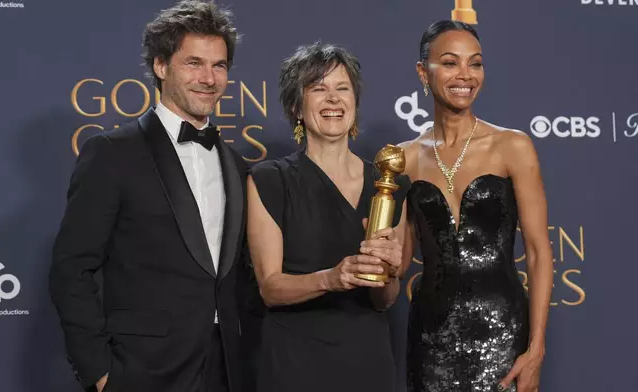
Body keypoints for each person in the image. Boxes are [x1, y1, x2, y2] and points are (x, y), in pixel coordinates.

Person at [49, 2, 249, 391]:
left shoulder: (237, 165)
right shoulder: (112, 152)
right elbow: (71, 269)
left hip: (226, 368)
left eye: (219, 66)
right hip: (142, 370)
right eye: (194, 63)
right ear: (161, 66)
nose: (209, 78)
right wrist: (100, 372)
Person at [397, 21, 553, 392]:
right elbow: (398, 263)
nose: (465, 75)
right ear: (423, 72)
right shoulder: (402, 159)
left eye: (476, 63)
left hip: (503, 334)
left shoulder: (512, 146)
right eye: (450, 63)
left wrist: (535, 351)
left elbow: (537, 252)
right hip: (430, 341)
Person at [246, 42, 409, 392]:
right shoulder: (268, 180)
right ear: (296, 107)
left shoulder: (390, 186)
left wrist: (390, 273)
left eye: (342, 88)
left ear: (355, 103)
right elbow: (270, 288)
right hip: (295, 366)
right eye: (318, 89)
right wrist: (330, 279)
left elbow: (385, 300)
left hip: (369, 364)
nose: (333, 99)